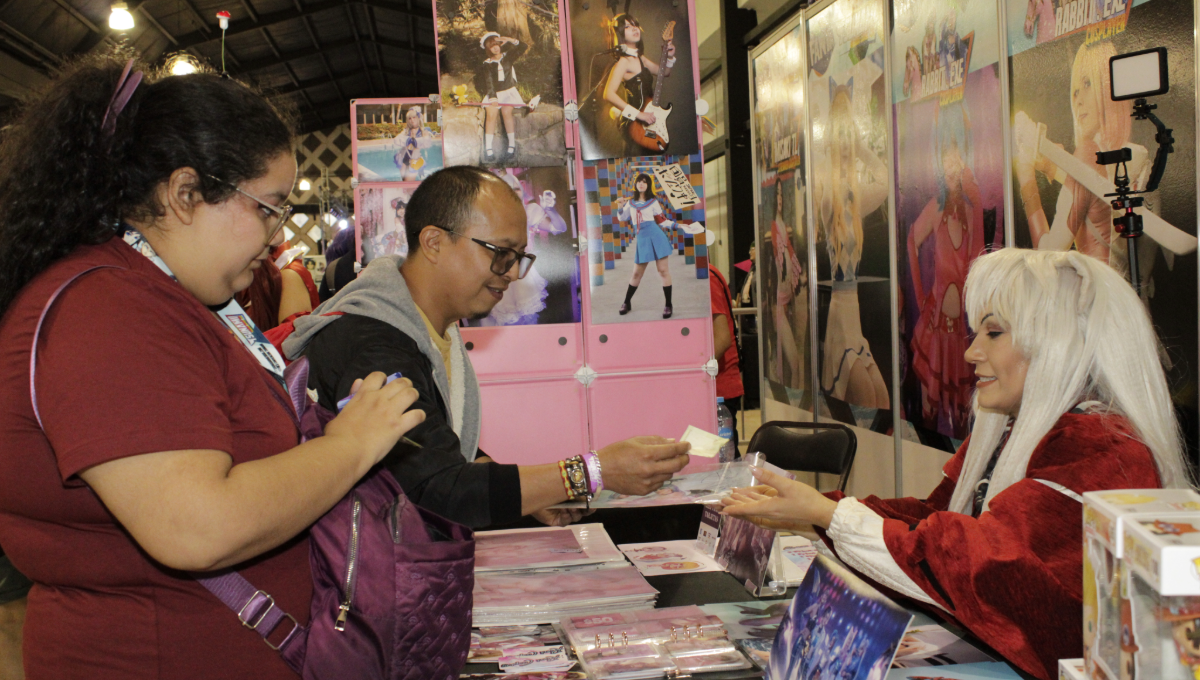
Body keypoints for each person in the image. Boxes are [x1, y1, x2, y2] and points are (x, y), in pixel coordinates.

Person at [0, 55, 426, 679]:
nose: (277, 237)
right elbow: (195, 527)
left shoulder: (162, 296)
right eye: (267, 207)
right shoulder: (107, 309)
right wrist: (351, 445)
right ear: (184, 194)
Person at [721, 248, 1191, 680]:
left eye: (994, 332)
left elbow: (984, 565)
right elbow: (936, 519)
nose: (971, 353)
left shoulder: (1096, 449)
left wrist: (827, 514)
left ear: (1057, 342)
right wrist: (815, 512)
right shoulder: (1018, 429)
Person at [284, 166, 692, 529]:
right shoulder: (374, 344)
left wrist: (533, 497)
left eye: (519, 257)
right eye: (501, 254)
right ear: (434, 242)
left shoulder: (426, 328)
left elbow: (443, 449)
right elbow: (439, 489)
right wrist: (592, 471)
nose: (512, 274)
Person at [1013, 39, 1160, 291]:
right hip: (1134, 310)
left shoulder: (1088, 154)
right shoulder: (1140, 157)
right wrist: (1055, 169)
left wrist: (1026, 178)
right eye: (1075, 91)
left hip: (1098, 309)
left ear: (1108, 87)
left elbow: (1047, 253)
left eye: (1087, 83)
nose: (1078, 99)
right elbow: (1101, 198)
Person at [907, 100, 985, 439]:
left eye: (956, 151)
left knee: (962, 418)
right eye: (945, 152)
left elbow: (980, 258)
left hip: (960, 335)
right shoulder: (936, 209)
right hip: (937, 331)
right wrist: (922, 294)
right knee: (932, 412)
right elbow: (911, 240)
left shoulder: (969, 213)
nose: (951, 161)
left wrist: (978, 203)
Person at [816, 84, 890, 410]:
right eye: (840, 132)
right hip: (839, 323)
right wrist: (841, 150)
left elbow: (885, 180)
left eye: (850, 132)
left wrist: (859, 148)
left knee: (883, 403)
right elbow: (825, 195)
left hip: (855, 323)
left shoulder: (854, 196)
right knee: (869, 401)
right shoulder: (829, 193)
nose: (846, 140)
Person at [601, 13, 675, 156]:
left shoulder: (641, 59)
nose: (635, 29)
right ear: (620, 34)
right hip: (634, 124)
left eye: (635, 25)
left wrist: (670, 56)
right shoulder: (623, 62)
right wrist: (639, 115)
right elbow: (608, 93)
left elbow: (664, 72)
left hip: (650, 123)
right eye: (628, 27)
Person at [616, 173, 679, 319]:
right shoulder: (630, 203)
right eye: (639, 181)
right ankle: (627, 302)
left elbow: (662, 221)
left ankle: (668, 304)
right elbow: (622, 218)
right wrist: (620, 206)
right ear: (636, 184)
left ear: (648, 185)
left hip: (656, 236)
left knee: (663, 271)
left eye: (644, 182)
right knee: (636, 273)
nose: (641, 184)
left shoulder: (653, 202)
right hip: (642, 239)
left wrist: (677, 226)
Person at [474, 32, 531, 163]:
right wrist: (493, 98)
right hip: (495, 93)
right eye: (492, 46)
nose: (495, 48)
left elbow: (523, 46)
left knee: (506, 112)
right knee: (491, 114)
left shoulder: (508, 57)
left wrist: (509, 39)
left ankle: (511, 147)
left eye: (497, 44)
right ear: (487, 49)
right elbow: (489, 82)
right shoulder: (487, 64)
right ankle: (488, 149)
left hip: (509, 92)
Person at [708, 264, 744, 445]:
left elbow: (722, 339)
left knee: (724, 462)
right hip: (711, 386)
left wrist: (689, 371)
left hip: (718, 388)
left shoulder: (705, 276)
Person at [392, 106, 434, 181]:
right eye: (410, 118)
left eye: (414, 117)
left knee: (409, 183)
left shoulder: (423, 131)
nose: (412, 120)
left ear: (418, 117)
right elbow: (396, 140)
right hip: (403, 159)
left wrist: (415, 141)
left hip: (414, 160)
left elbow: (427, 143)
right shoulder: (406, 131)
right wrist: (408, 139)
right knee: (404, 181)